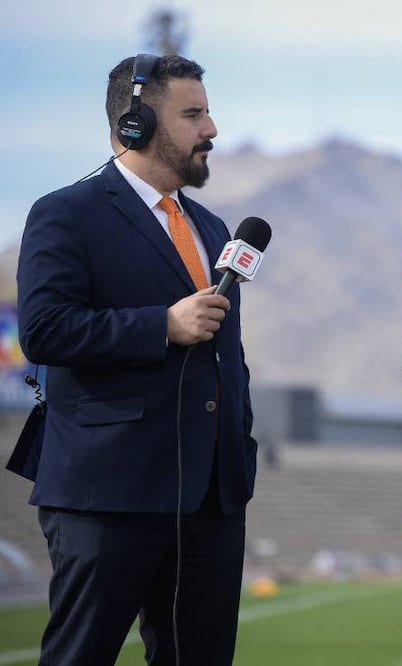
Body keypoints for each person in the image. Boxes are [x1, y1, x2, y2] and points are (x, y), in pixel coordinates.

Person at [11, 53, 257, 664]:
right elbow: (42, 330)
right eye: (193, 114)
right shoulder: (66, 213)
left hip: (208, 500)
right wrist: (162, 326)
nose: (212, 129)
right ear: (135, 125)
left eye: (209, 112)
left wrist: (239, 448)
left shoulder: (210, 225)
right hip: (108, 495)